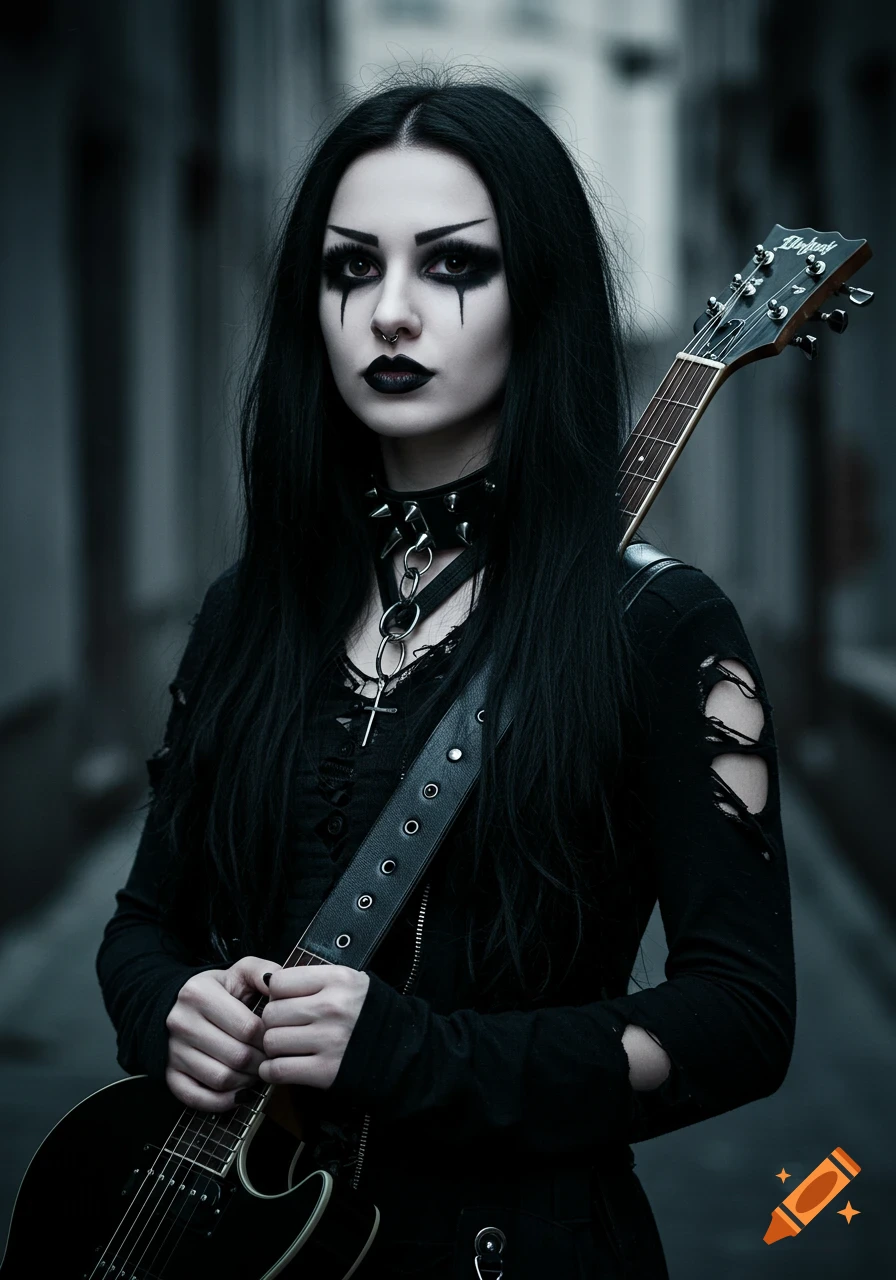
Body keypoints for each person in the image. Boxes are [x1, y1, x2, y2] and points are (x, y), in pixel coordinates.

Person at [97, 76, 796, 1278]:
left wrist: (416, 1053)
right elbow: (144, 921)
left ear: (540, 298)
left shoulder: (661, 623)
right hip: (232, 1241)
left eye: (453, 267)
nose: (391, 313)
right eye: (349, 269)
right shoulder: (249, 610)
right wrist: (170, 1007)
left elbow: (738, 1020)